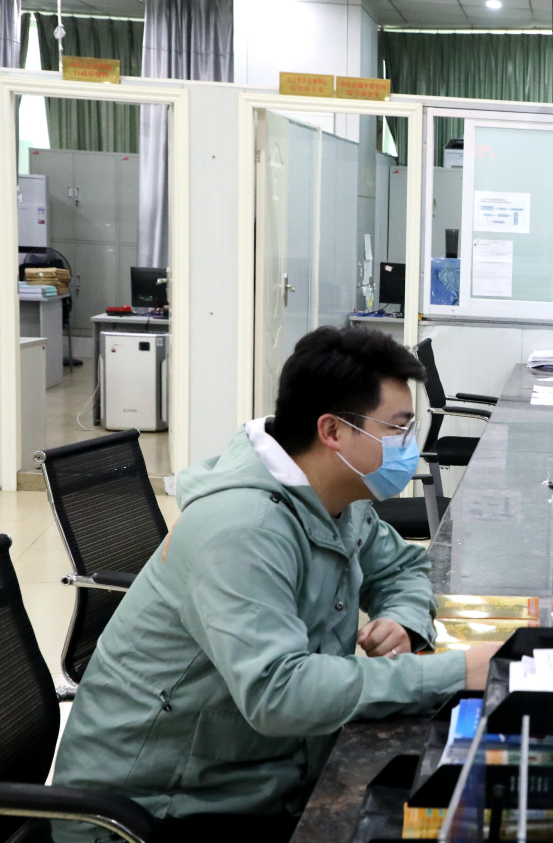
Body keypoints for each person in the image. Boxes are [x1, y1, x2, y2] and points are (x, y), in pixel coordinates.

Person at [52, 326, 501, 843]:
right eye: (397, 428)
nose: (408, 445)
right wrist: (459, 671)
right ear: (332, 431)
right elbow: (279, 692)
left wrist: (402, 618)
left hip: (261, 773)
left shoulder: (335, 493)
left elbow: (402, 569)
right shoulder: (243, 529)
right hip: (156, 810)